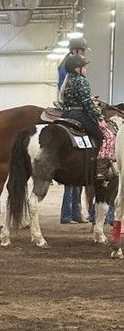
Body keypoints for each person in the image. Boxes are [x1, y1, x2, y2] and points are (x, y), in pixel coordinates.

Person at [59, 47, 114, 179]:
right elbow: (87, 104)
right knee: (108, 136)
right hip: (78, 115)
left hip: (65, 114)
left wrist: (89, 99)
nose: (86, 69)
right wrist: (100, 118)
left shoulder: (67, 81)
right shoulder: (82, 80)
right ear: (78, 68)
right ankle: (101, 170)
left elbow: (73, 99)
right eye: (84, 67)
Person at [57, 39, 86, 224]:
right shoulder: (71, 68)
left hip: (68, 105)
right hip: (73, 109)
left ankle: (74, 212)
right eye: (83, 51)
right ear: (76, 50)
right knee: (103, 135)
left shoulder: (67, 65)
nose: (84, 54)